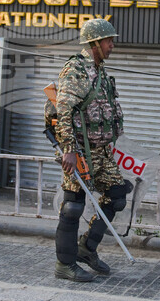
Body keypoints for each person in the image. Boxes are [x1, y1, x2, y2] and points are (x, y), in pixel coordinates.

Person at [53, 18, 130, 282]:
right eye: (108, 41)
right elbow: (64, 110)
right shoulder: (77, 70)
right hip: (79, 152)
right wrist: (69, 150)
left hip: (101, 152)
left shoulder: (101, 72)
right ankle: (64, 264)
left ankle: (86, 248)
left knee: (118, 195)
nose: (112, 45)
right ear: (95, 43)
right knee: (73, 206)